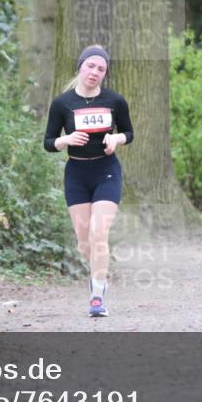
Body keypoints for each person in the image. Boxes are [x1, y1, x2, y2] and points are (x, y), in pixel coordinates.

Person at [43, 45, 133, 317]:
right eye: (91, 66)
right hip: (77, 174)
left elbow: (128, 132)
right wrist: (65, 140)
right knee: (85, 244)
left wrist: (116, 139)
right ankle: (99, 271)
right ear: (81, 66)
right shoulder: (62, 103)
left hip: (106, 171)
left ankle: (97, 296)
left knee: (99, 232)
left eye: (101, 69)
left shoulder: (115, 101)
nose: (95, 72)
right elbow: (48, 142)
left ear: (105, 74)